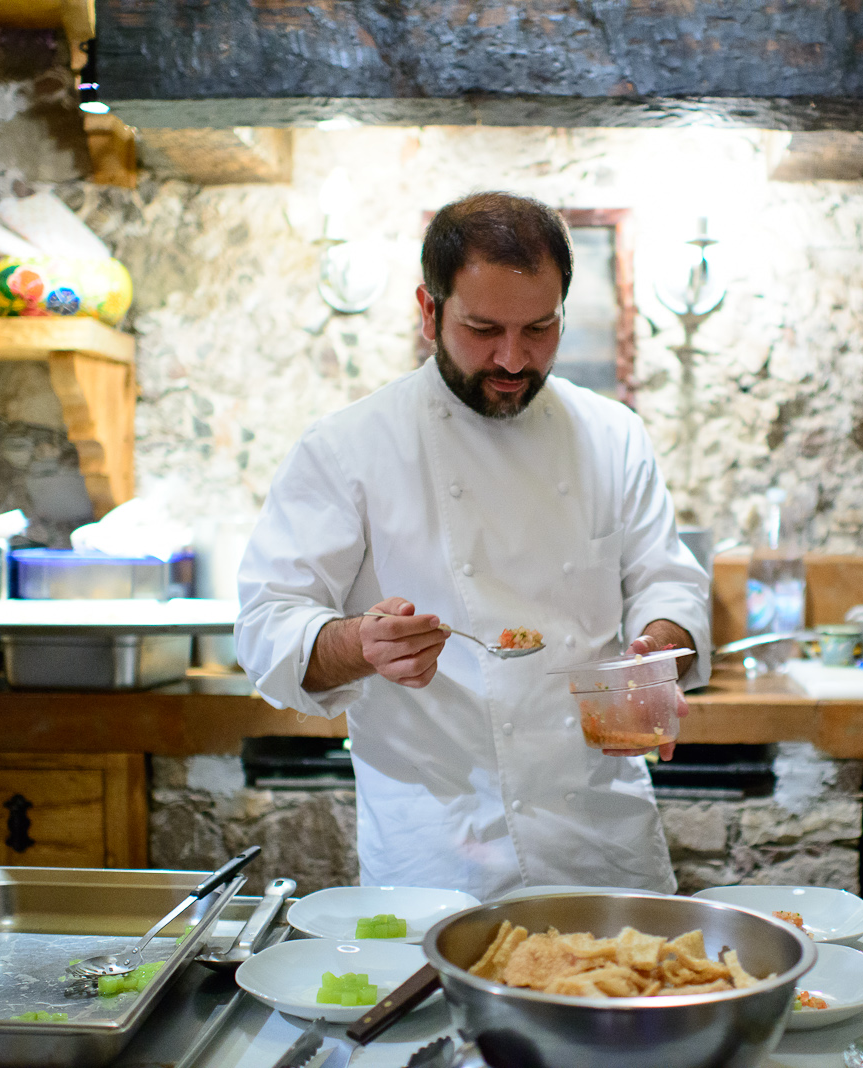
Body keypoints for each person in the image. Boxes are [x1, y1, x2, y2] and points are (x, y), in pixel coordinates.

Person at [235, 191, 711, 900]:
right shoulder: (348, 447)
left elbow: (667, 583)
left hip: (598, 834)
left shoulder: (612, 435)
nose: (513, 358)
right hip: (438, 844)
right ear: (429, 313)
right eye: (483, 328)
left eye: (540, 328)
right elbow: (267, 625)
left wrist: (657, 653)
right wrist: (362, 643)